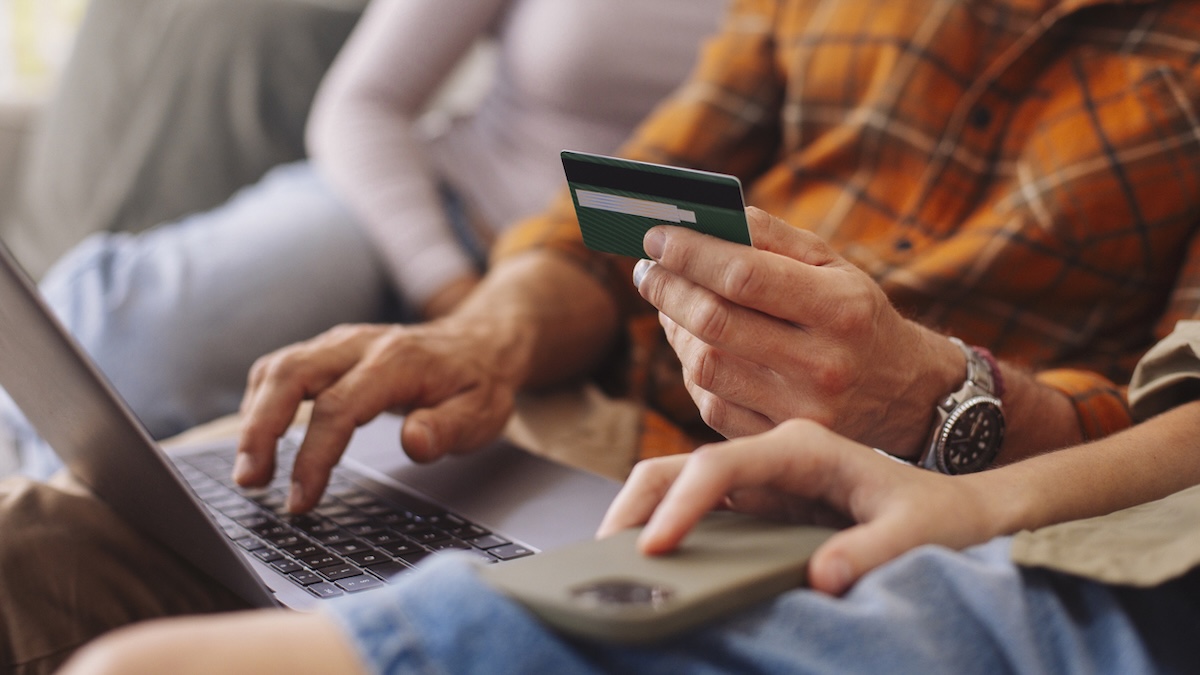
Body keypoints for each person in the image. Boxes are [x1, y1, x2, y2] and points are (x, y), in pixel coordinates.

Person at [229, 0, 1200, 515]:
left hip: (885, 516)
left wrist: (936, 403)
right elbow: (613, 222)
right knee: (180, 524)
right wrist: (483, 337)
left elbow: (1174, 426)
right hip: (593, 425)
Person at [56, 321, 1200, 674]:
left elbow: (1145, 413)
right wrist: (486, 331)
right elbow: (589, 223)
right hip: (662, 459)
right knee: (50, 537)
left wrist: (954, 422)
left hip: (951, 523)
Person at [0, 0, 729, 478]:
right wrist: (452, 295)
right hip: (431, 212)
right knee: (123, 344)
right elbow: (361, 105)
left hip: (618, 296)